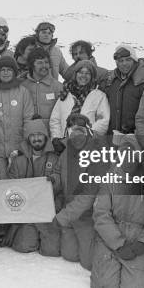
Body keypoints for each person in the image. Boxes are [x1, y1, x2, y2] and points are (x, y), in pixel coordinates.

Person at [91, 134, 144, 288]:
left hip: (138, 240)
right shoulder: (109, 179)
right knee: (104, 284)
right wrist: (118, 244)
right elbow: (101, 214)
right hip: (110, 238)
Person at [51, 114, 109, 271]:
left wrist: (63, 217)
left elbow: (88, 196)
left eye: (80, 130)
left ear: (87, 131)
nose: (76, 134)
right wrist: (51, 182)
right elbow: (58, 173)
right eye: (72, 130)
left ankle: (100, 241)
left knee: (88, 263)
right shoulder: (66, 153)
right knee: (69, 256)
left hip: (87, 216)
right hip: (69, 211)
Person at [4, 119, 62, 256]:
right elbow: (11, 187)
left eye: (39, 134)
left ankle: (44, 235)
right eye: (32, 135)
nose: (36, 138)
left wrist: (54, 181)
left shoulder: (54, 158)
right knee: (23, 246)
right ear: (28, 138)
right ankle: (31, 233)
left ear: (45, 136)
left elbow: (60, 183)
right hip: (27, 212)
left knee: (51, 251)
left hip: (47, 212)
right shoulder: (19, 161)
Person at [0, 56, 35, 179]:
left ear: (15, 72)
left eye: (9, 70)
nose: (6, 73)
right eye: (2, 70)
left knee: (18, 186)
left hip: (18, 150)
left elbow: (28, 119)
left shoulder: (23, 92)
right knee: (2, 185)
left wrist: (25, 146)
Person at [99, 43, 144, 138]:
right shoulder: (110, 81)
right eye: (121, 61)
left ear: (134, 60)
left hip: (136, 138)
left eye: (128, 59)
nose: (124, 63)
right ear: (116, 63)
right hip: (112, 137)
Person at [50, 60, 110, 146]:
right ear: (75, 74)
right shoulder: (65, 93)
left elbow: (103, 120)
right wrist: (57, 138)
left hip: (89, 143)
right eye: (80, 72)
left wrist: (88, 135)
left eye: (87, 73)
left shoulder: (99, 96)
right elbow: (55, 119)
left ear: (92, 76)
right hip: (66, 142)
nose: (83, 76)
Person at [21, 48, 64, 132]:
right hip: (30, 135)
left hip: (52, 135)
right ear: (32, 65)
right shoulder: (23, 87)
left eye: (46, 62)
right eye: (40, 63)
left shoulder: (58, 87)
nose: (44, 66)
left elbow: (63, 114)